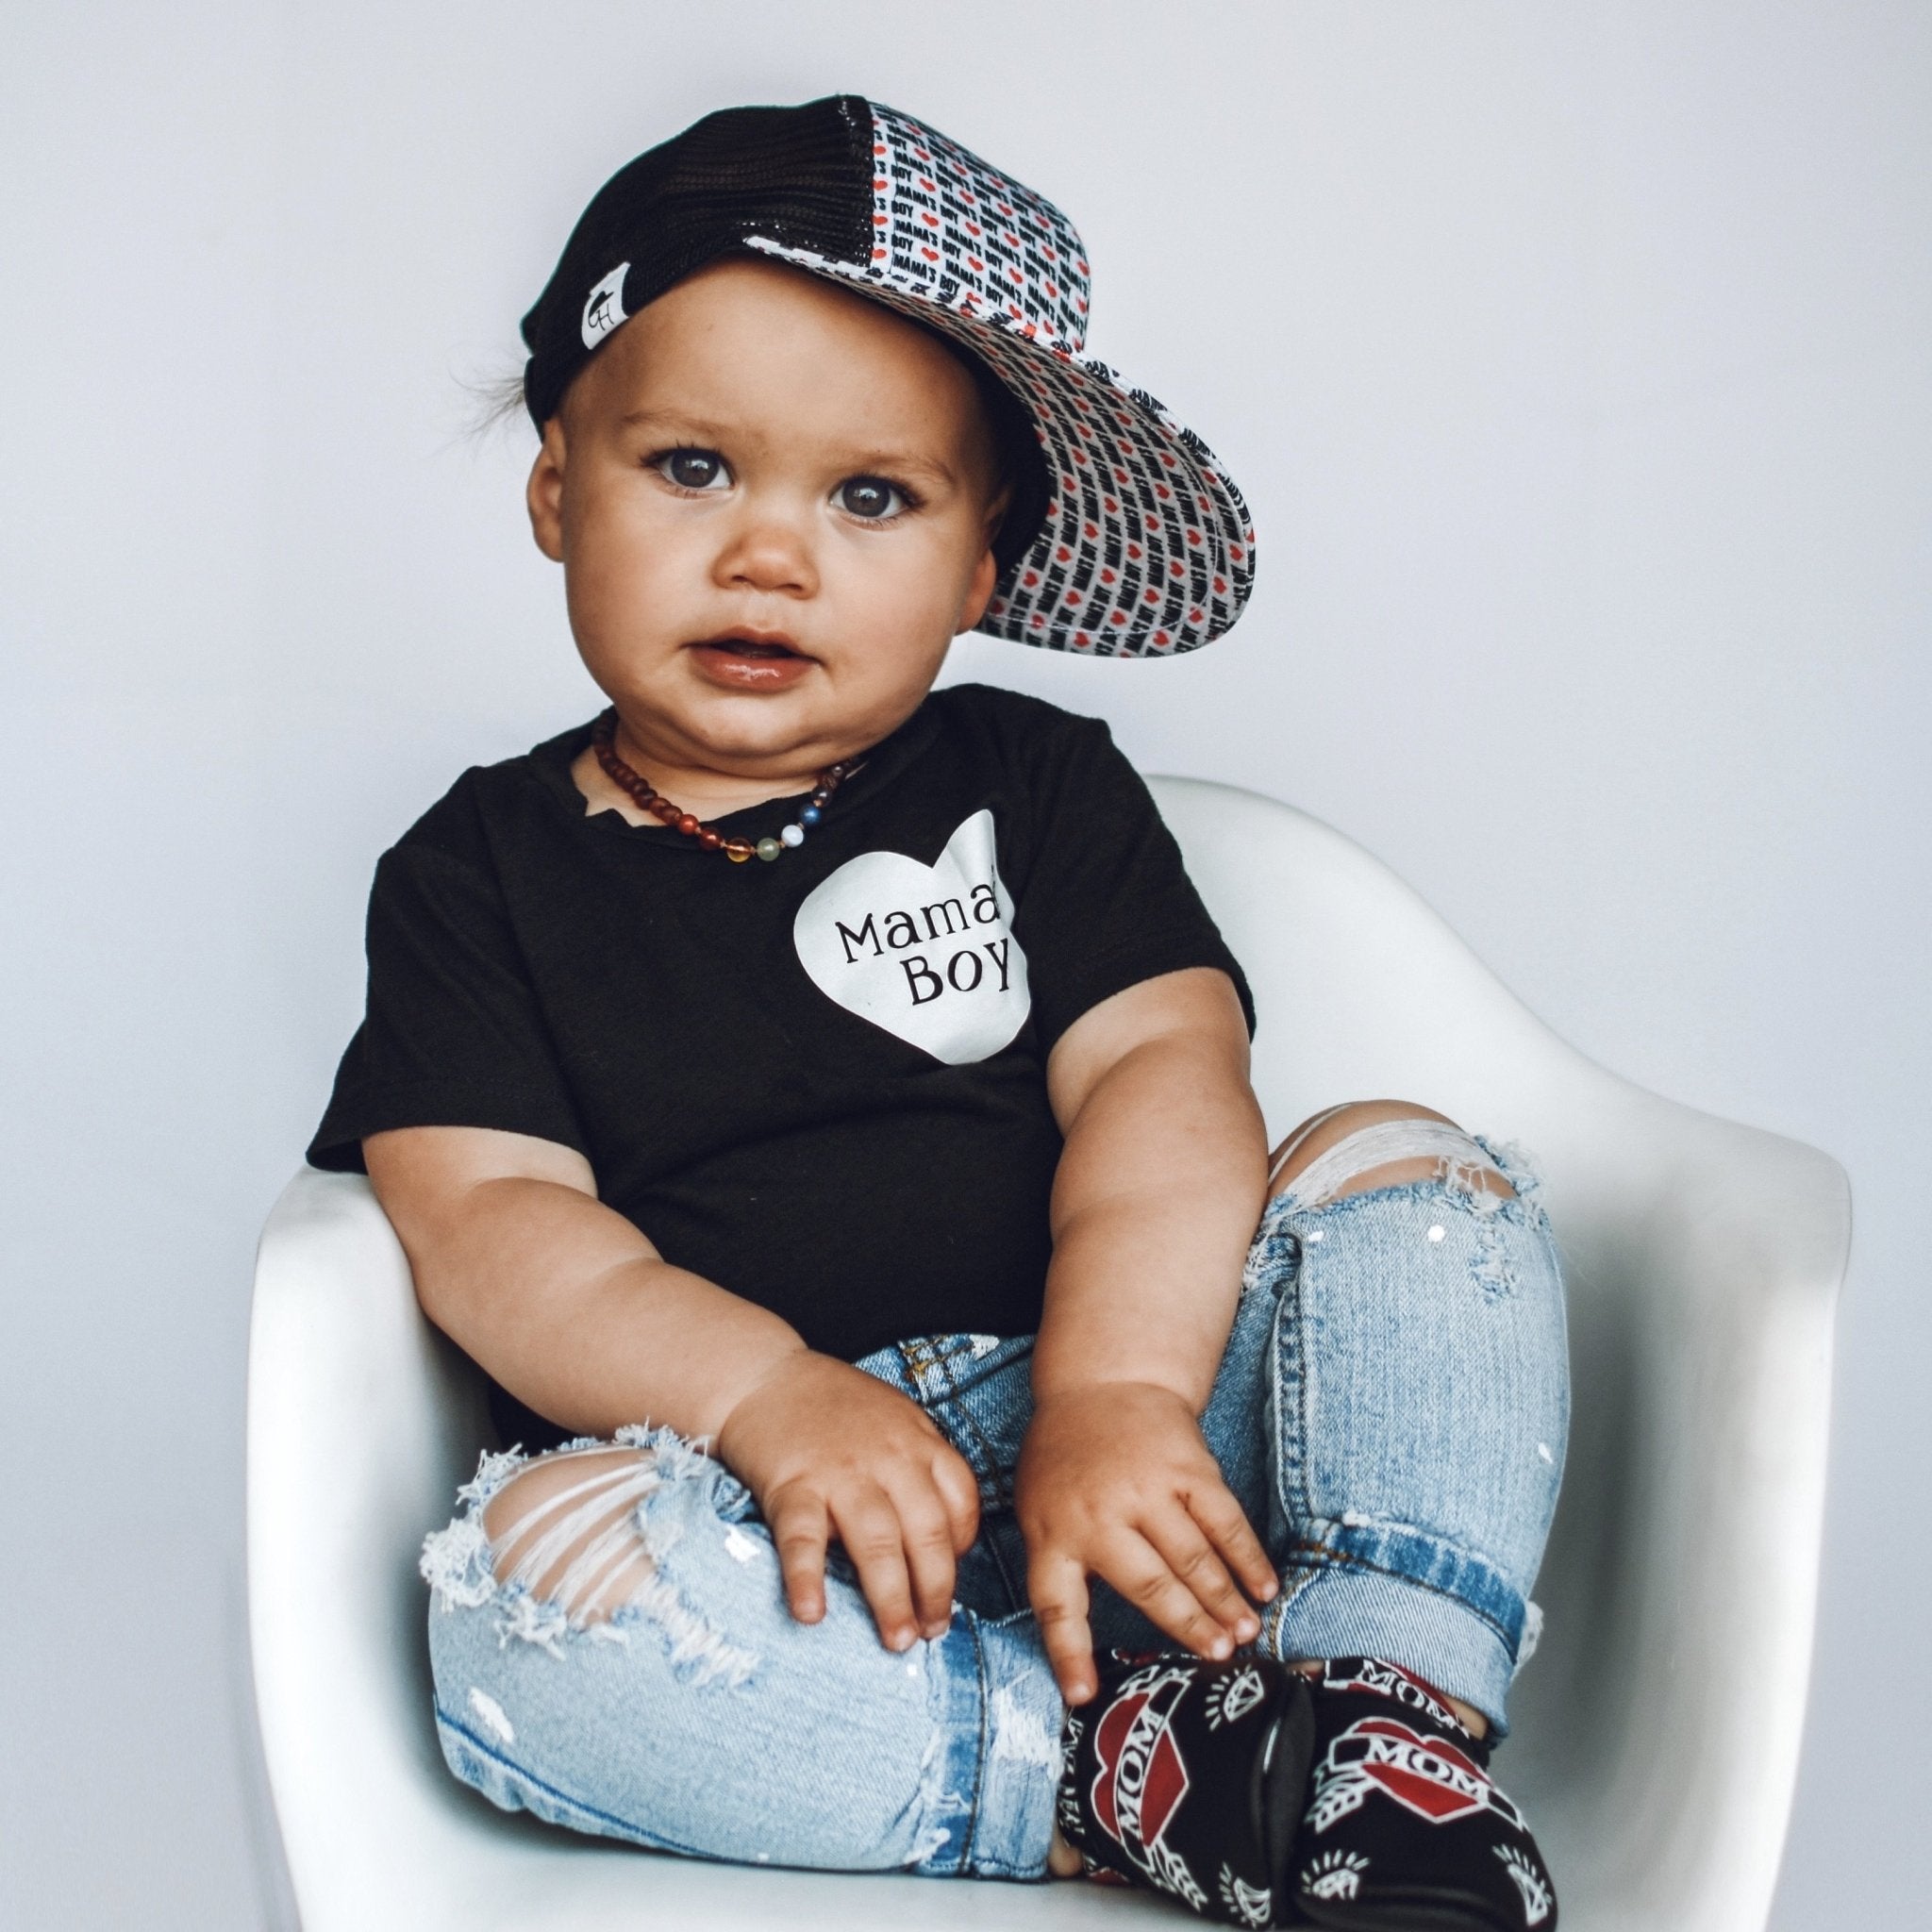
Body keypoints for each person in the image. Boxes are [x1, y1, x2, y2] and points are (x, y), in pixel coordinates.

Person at [308, 97, 1570, 1931]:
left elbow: (1160, 1069)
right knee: (526, 1601)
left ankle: (1375, 1703)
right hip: (775, 1514)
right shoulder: (476, 870)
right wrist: (763, 1396)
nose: (770, 553)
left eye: (870, 496)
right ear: (556, 486)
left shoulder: (1033, 780)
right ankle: (1138, 1773)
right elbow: (486, 1216)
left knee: (1412, 1172)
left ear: (982, 568)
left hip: (1144, 1460)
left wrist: (1118, 1389)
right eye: (689, 468)